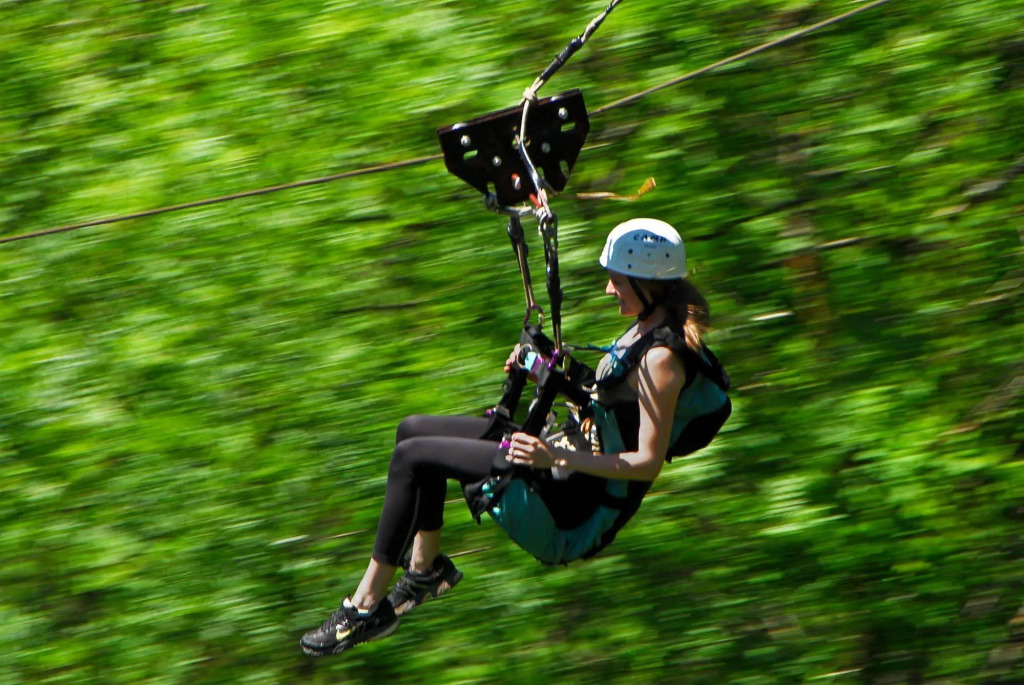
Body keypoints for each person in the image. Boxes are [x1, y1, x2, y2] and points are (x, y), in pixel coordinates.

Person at [300, 218, 730, 656]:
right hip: (564, 459)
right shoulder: (647, 325)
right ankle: (424, 571)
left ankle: (365, 606)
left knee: (414, 458)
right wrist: (540, 367)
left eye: (617, 280)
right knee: (410, 430)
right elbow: (608, 400)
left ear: (646, 282)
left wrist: (552, 459)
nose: (608, 289)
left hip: (572, 509)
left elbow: (646, 463)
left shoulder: (662, 358)